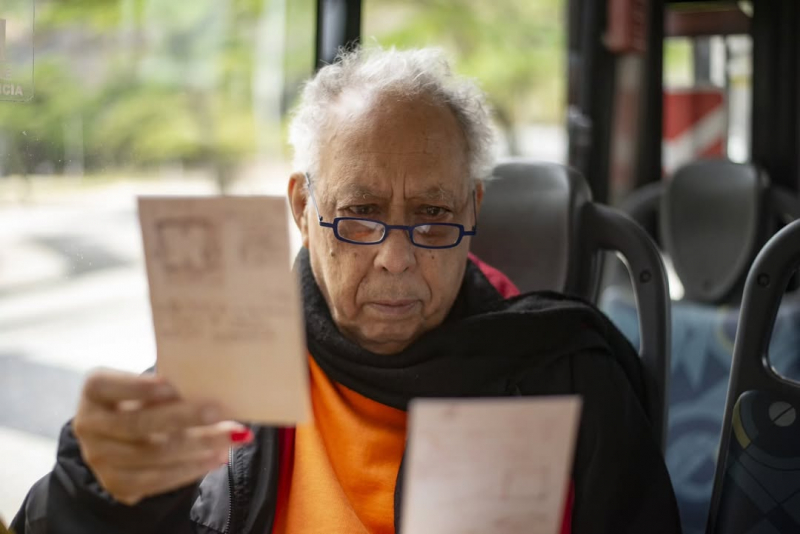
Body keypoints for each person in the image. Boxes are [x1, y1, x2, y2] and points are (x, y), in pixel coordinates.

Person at [12, 46, 681, 534]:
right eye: (358, 215)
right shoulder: (230, 359)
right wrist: (91, 490)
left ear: (473, 210)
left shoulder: (565, 373)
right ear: (303, 207)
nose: (395, 259)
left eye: (433, 215)